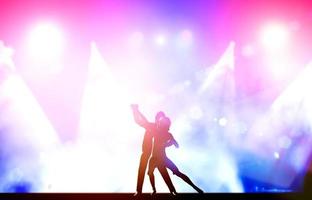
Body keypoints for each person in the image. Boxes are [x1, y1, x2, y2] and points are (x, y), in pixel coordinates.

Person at [147, 116, 204, 194]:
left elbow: (176, 145)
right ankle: (154, 190)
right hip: (155, 158)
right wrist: (168, 143)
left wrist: (168, 144)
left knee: (177, 172)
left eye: (163, 124)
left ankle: (195, 188)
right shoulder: (157, 132)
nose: (161, 126)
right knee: (150, 173)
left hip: (163, 158)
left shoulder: (167, 134)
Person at [131, 104, 176, 195]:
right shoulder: (150, 125)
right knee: (142, 169)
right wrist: (135, 110)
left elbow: (171, 139)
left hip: (157, 154)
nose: (160, 120)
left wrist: (169, 143)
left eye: (161, 118)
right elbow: (139, 121)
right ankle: (139, 190)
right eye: (158, 118)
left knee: (163, 171)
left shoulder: (163, 131)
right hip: (147, 152)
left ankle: (172, 190)